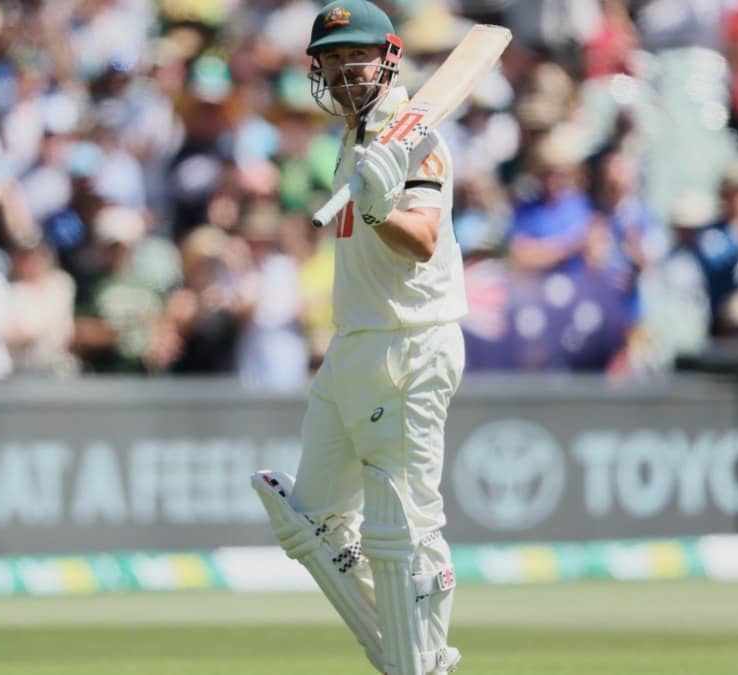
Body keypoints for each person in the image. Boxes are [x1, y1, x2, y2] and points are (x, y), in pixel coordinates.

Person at [251, 2, 466, 673]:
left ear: (390, 57)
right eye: (334, 60)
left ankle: (418, 660)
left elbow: (422, 241)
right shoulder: (358, 136)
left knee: (404, 525)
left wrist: (376, 209)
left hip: (409, 342)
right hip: (353, 344)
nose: (346, 71)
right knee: (309, 518)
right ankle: (403, 651)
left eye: (358, 57)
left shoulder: (415, 136)